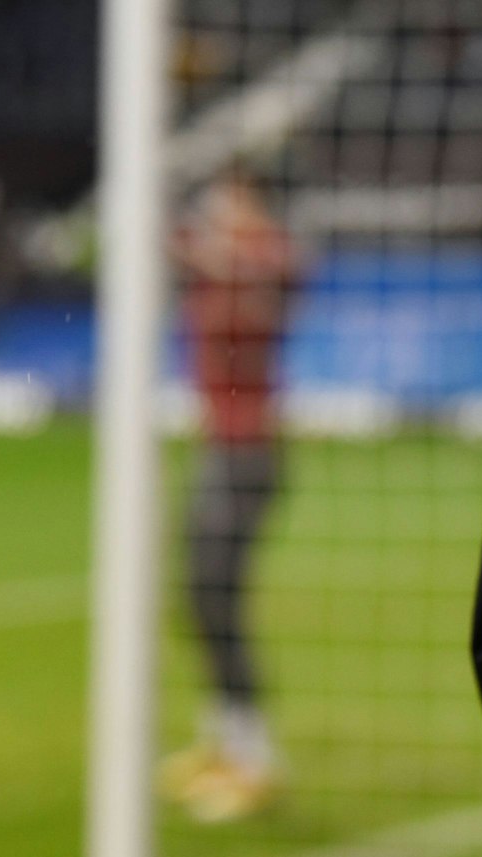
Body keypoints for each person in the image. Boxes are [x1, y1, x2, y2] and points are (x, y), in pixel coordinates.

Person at [159, 165, 300, 822]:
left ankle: (256, 759)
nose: (218, 214)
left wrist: (212, 246)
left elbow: (274, 275)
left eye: (230, 203)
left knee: (217, 596)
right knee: (198, 598)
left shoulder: (271, 258)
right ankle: (223, 743)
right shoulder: (215, 264)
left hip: (251, 452)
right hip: (218, 448)